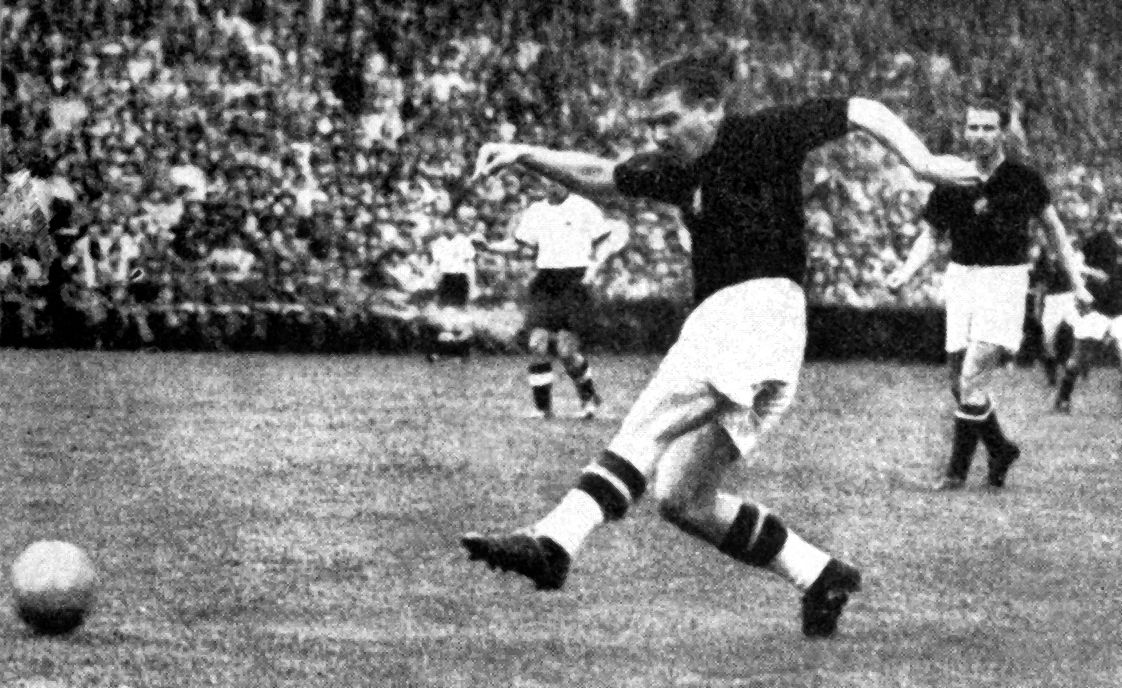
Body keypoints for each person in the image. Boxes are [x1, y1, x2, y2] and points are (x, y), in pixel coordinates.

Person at [460, 41, 980, 638]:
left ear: (710, 108)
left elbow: (860, 108)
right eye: (650, 124)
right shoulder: (678, 169)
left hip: (754, 308)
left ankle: (555, 541)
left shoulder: (763, 133)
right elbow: (602, 174)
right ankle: (819, 573)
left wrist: (922, 163)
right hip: (752, 328)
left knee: (647, 425)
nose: (657, 135)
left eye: (668, 120)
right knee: (683, 496)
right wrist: (527, 154)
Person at [887, 97, 1091, 490]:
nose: (979, 135)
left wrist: (1078, 283)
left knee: (971, 377)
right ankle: (999, 449)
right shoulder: (952, 178)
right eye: (973, 127)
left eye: (987, 127)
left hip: (1005, 280)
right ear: (965, 131)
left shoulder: (1023, 179)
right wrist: (905, 271)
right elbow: (931, 235)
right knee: (958, 381)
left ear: (1002, 132)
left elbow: (1055, 233)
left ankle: (956, 473)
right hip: (961, 277)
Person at [475, 179, 620, 419]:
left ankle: (588, 398)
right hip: (546, 280)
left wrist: (594, 266)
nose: (552, 185)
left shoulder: (584, 207)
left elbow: (605, 240)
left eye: (556, 180)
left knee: (566, 351)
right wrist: (489, 247)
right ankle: (543, 409)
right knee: (536, 344)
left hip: (575, 279)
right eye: (546, 181)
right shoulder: (536, 210)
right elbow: (519, 245)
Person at [1052, 219, 1122, 413]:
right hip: (1096, 309)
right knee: (1079, 357)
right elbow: (1077, 265)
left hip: (1119, 310)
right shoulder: (1100, 241)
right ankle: (1063, 399)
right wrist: (1089, 273)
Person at [424, 216, 478, 362]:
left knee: (461, 315)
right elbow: (436, 266)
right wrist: (431, 282)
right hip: (445, 279)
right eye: (446, 224)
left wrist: (472, 286)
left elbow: (470, 265)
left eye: (452, 224)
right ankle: (437, 352)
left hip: (461, 279)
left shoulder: (464, 241)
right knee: (442, 315)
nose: (449, 227)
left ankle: (462, 353)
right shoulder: (438, 243)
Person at [1028, 241, 1079, 385]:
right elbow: (1040, 286)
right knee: (1048, 340)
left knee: (1079, 336)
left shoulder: (1066, 254)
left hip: (1069, 297)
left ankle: (1077, 370)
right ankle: (1052, 377)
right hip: (1052, 300)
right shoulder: (1042, 261)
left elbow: (1076, 276)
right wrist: (1038, 307)